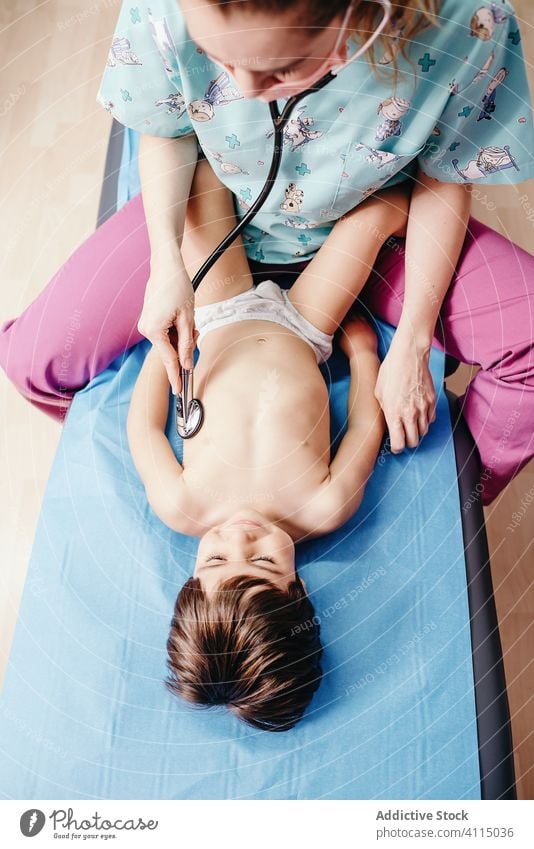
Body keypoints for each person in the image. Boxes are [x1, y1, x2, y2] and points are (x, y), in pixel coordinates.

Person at [1, 0, 533, 503]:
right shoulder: (165, 6)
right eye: (217, 57)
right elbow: (167, 126)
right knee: (31, 363)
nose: (243, 90)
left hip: (378, 219)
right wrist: (167, 262)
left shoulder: (469, 24)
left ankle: (455, 494)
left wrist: (414, 343)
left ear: (360, 19)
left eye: (281, 69)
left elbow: (447, 174)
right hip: (211, 217)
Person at [127, 158, 410, 729]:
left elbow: (144, 428)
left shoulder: (182, 505)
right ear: (298, 585)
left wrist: (168, 349)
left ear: (192, 574)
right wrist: (363, 355)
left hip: (218, 314)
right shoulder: (322, 507)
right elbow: (364, 427)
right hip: (307, 326)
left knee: (199, 178)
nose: (238, 537)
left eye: (213, 558)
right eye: (261, 561)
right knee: (388, 208)